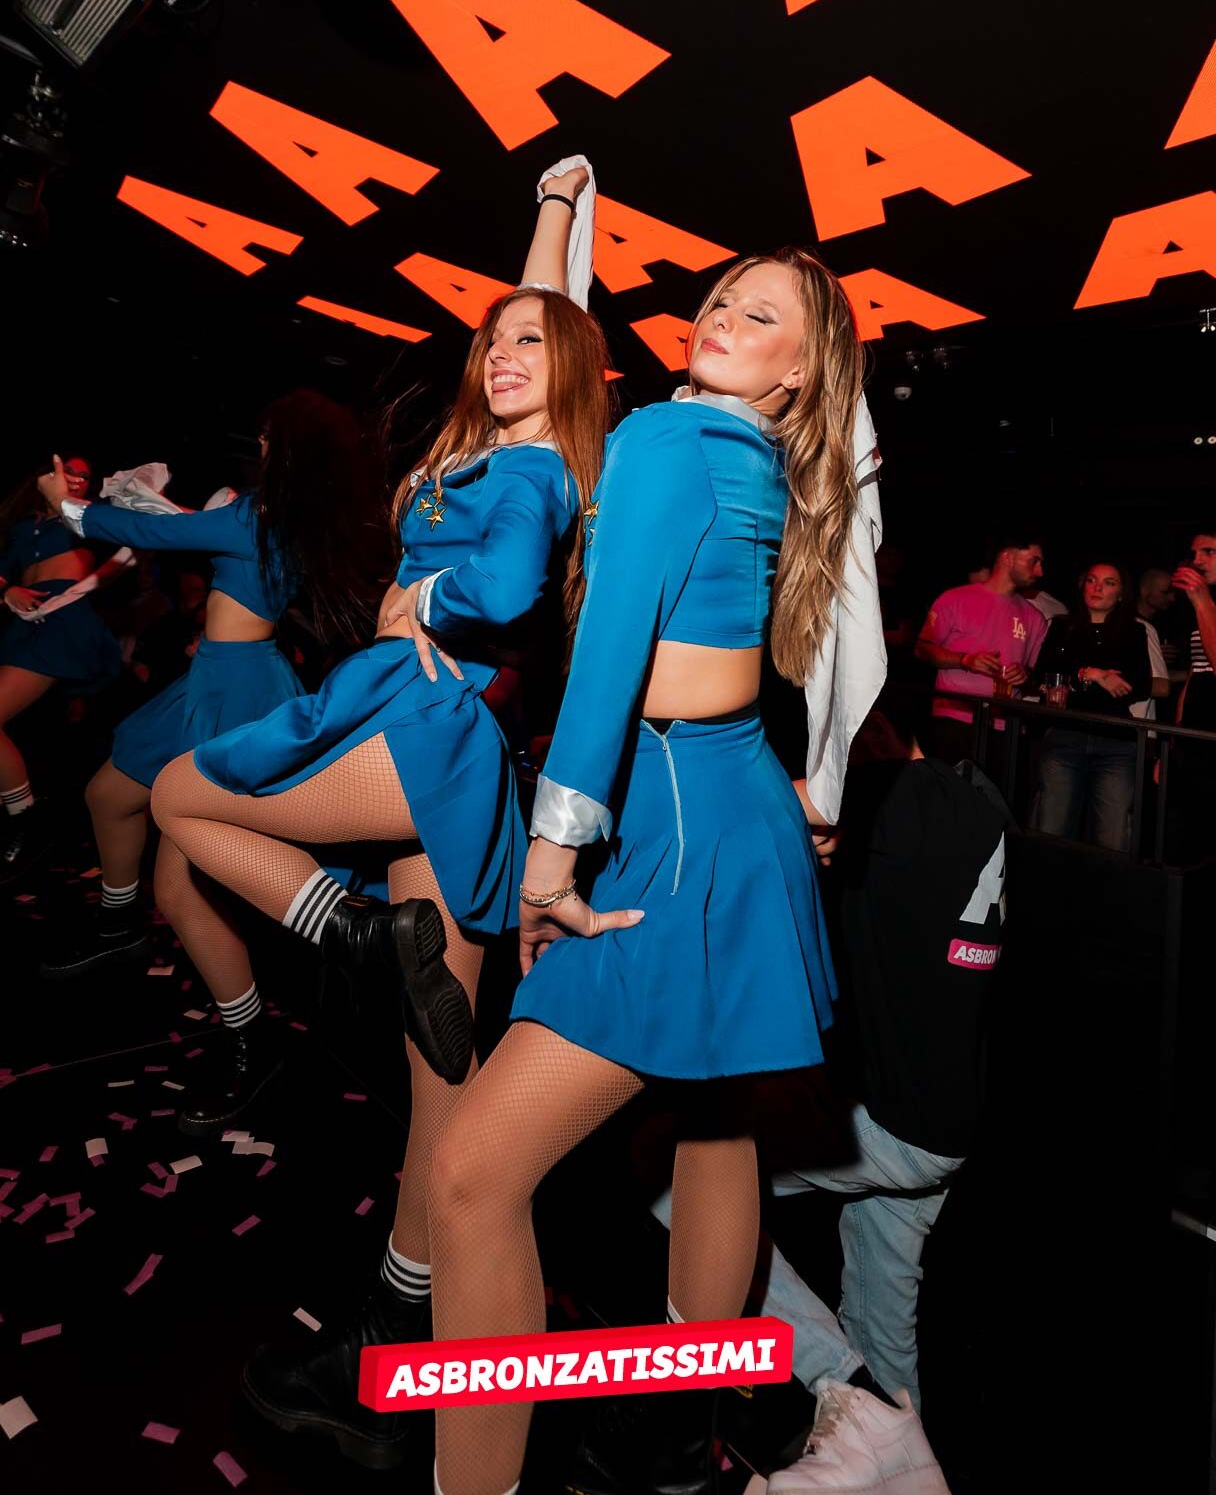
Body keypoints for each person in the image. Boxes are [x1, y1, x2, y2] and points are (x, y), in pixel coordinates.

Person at [149, 165, 610, 1466]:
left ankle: (347, 932)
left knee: (180, 793)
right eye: (493, 342)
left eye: (532, 347)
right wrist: (553, 212)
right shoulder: (495, 442)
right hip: (456, 757)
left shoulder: (533, 468)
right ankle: (397, 1327)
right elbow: (534, 320)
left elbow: (507, 581)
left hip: (419, 726)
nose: (506, 353)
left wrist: (434, 600)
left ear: (573, 375)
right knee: (440, 1084)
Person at [424, 246, 884, 1495]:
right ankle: (687, 1424)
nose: (722, 317)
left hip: (673, 823)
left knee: (468, 1177)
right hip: (736, 805)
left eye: (761, 315)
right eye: (720, 300)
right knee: (713, 1122)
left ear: (802, 371)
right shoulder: (760, 456)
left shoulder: (671, 440)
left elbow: (611, 652)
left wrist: (551, 854)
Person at [691, 703, 1003, 1495]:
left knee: (678, 1177)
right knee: (882, 1324)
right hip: (945, 1118)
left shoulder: (892, 805)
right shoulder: (981, 804)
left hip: (889, 1124)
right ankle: (902, 1472)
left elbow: (749, 801)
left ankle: (838, 1378)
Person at [35, 392, 372, 991]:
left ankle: (250, 1018)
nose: (260, 442)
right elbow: (189, 527)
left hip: (237, 689)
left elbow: (153, 531)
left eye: (269, 434)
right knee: (109, 795)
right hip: (218, 675)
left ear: (290, 447)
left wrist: (65, 504)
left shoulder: (259, 516)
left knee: (182, 884)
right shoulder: (280, 515)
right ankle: (120, 927)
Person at [0, 453, 128, 886]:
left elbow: (131, 535)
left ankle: (30, 827)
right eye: (69, 471)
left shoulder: (89, 516)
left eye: (84, 475)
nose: (77, 478)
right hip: (22, 623)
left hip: (62, 620)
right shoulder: (24, 527)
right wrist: (6, 590)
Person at [1031, 562, 1154, 853]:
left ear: (1121, 593)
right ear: (1082, 585)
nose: (1098, 588)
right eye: (1092, 580)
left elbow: (1140, 685)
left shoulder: (1134, 631)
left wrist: (1075, 678)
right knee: (1050, 827)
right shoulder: (1062, 626)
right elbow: (1042, 675)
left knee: (1113, 836)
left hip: (1115, 740)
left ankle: (1109, 884)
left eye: (1109, 583)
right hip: (1065, 734)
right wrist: (1093, 674)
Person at [913, 538, 1048, 766]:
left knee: (996, 789)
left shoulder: (1034, 617)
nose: (1040, 571)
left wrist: (1025, 675)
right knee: (950, 787)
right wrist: (965, 660)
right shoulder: (955, 599)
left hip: (1007, 726)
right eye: (1033, 561)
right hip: (954, 720)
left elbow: (1038, 678)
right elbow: (922, 649)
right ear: (1008, 557)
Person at [1170, 530, 1216, 860]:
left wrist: (1203, 601)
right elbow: (1195, 672)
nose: (1197, 560)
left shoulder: (1205, 603)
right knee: (1187, 836)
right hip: (1195, 738)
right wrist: (1174, 740)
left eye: (1209, 552)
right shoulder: (1202, 606)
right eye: (1194, 553)